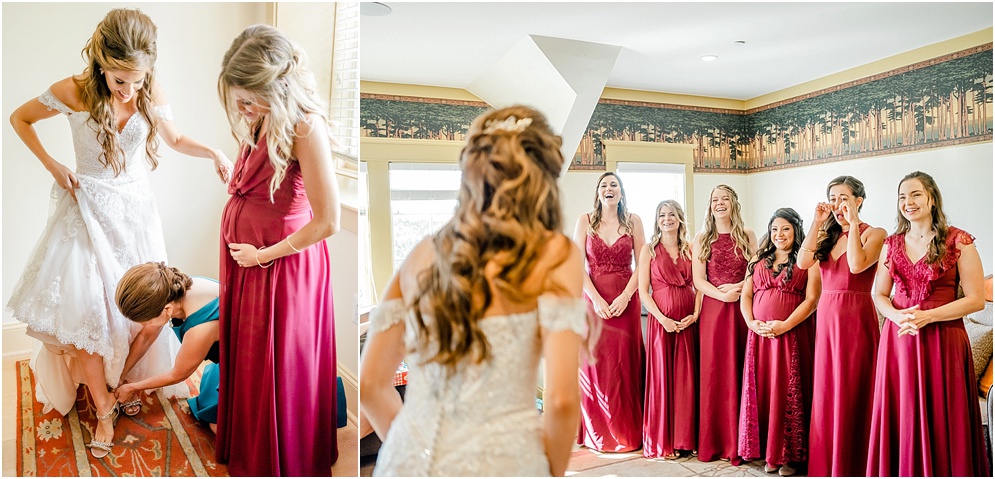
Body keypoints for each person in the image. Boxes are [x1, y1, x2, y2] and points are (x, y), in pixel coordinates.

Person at [5, 8, 232, 459]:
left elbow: (175, 137)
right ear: (100, 63)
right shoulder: (70, 90)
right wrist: (54, 166)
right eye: (120, 80)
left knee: (140, 310)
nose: (130, 90)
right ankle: (104, 406)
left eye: (139, 80)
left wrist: (213, 151)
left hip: (135, 212)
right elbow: (19, 118)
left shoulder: (149, 87)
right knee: (89, 313)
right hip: (86, 210)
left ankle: (120, 379)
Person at [359, 106, 587, 476]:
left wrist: (412, 450)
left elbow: (369, 385)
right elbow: (561, 402)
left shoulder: (421, 253)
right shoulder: (556, 255)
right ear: (544, 178)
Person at [216, 24, 340, 476]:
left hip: (282, 266)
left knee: (279, 366)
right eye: (239, 101)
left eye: (250, 100)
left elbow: (329, 221)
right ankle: (252, 446)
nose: (244, 110)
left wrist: (263, 255)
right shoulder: (260, 117)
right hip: (250, 262)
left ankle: (283, 457)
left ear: (279, 87)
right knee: (251, 365)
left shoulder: (307, 126)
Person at [866, 171, 989, 476]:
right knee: (901, 413)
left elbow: (975, 300)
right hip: (899, 342)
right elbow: (878, 294)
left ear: (932, 198)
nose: (908, 202)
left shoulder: (959, 241)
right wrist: (897, 317)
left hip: (943, 340)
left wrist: (928, 316)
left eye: (916, 194)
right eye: (902, 196)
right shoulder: (891, 244)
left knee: (944, 415)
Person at [795, 175, 885, 476]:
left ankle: (857, 464)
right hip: (828, 319)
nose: (837, 204)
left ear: (858, 200)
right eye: (832, 197)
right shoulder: (826, 234)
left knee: (854, 389)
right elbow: (802, 262)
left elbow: (858, 265)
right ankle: (826, 464)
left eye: (843, 197)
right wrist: (817, 221)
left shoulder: (876, 233)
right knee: (827, 393)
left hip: (857, 317)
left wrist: (854, 222)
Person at [737, 208, 820, 477]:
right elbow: (746, 296)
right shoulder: (758, 259)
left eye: (785, 228)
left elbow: (812, 300)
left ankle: (791, 456)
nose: (778, 234)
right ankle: (767, 451)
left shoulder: (809, 261)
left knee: (787, 392)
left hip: (792, 336)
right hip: (760, 338)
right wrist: (750, 322)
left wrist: (785, 325)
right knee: (764, 391)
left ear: (796, 230)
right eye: (774, 229)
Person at [573, 172, 645, 453]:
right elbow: (577, 265)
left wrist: (627, 296)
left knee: (624, 366)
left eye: (613, 184)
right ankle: (598, 433)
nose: (608, 188)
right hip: (593, 303)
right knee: (596, 366)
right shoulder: (585, 222)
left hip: (627, 301)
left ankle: (627, 432)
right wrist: (597, 300)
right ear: (598, 193)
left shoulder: (634, 221)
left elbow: (643, 263)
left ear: (621, 191)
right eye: (603, 185)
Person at [692, 184, 757, 464]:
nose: (720, 203)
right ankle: (714, 440)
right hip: (713, 311)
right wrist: (722, 294)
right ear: (710, 205)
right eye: (715, 199)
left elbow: (756, 271)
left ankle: (740, 442)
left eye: (725, 199)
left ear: (734, 203)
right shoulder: (701, 237)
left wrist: (739, 288)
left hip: (741, 309)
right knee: (714, 373)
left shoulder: (748, 235)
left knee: (739, 369)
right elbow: (698, 280)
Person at [112, 262, 221, 431]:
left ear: (167, 309)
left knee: (220, 430)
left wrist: (133, 387)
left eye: (147, 321)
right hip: (232, 351)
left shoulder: (199, 330)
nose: (146, 325)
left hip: (254, 364)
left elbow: (178, 374)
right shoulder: (172, 290)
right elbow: (147, 336)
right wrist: (122, 375)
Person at [637, 200, 701, 459]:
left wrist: (695, 315)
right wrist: (662, 319)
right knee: (663, 380)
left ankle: (686, 439)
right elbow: (643, 292)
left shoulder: (690, 249)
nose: (667, 219)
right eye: (662, 215)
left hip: (687, 322)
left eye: (672, 214)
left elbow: (699, 285)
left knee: (686, 380)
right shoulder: (649, 250)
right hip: (661, 324)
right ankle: (665, 441)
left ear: (680, 218)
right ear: (657, 220)